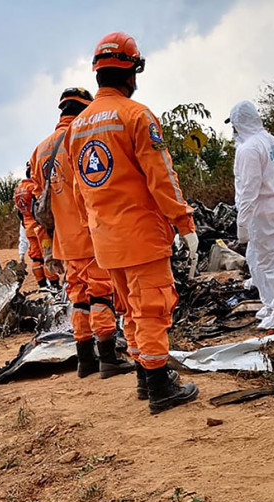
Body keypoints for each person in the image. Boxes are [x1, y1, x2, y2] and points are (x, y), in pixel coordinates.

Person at [64, 32, 199, 413]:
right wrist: (184, 223)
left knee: (129, 309)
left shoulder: (77, 128)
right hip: (141, 236)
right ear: (131, 71)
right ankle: (159, 385)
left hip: (105, 243)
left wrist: (95, 230)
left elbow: (79, 192)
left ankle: (144, 375)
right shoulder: (136, 116)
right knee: (152, 308)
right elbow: (162, 177)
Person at [31, 86, 134, 380]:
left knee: (78, 298)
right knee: (101, 295)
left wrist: (48, 246)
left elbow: (39, 205)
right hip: (91, 236)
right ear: (85, 108)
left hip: (64, 241)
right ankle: (109, 359)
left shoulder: (40, 150)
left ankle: (85, 359)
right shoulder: (81, 137)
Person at [229, 100, 274, 330]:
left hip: (262, 209)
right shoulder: (273, 141)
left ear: (239, 123)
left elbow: (249, 189)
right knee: (256, 258)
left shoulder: (248, 149)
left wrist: (242, 222)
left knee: (271, 261)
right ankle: (271, 304)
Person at [13, 168, 59, 290]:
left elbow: (19, 213)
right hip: (39, 227)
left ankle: (42, 285)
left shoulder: (18, 190)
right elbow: (40, 207)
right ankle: (54, 284)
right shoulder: (33, 187)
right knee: (47, 254)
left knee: (36, 257)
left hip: (28, 228)